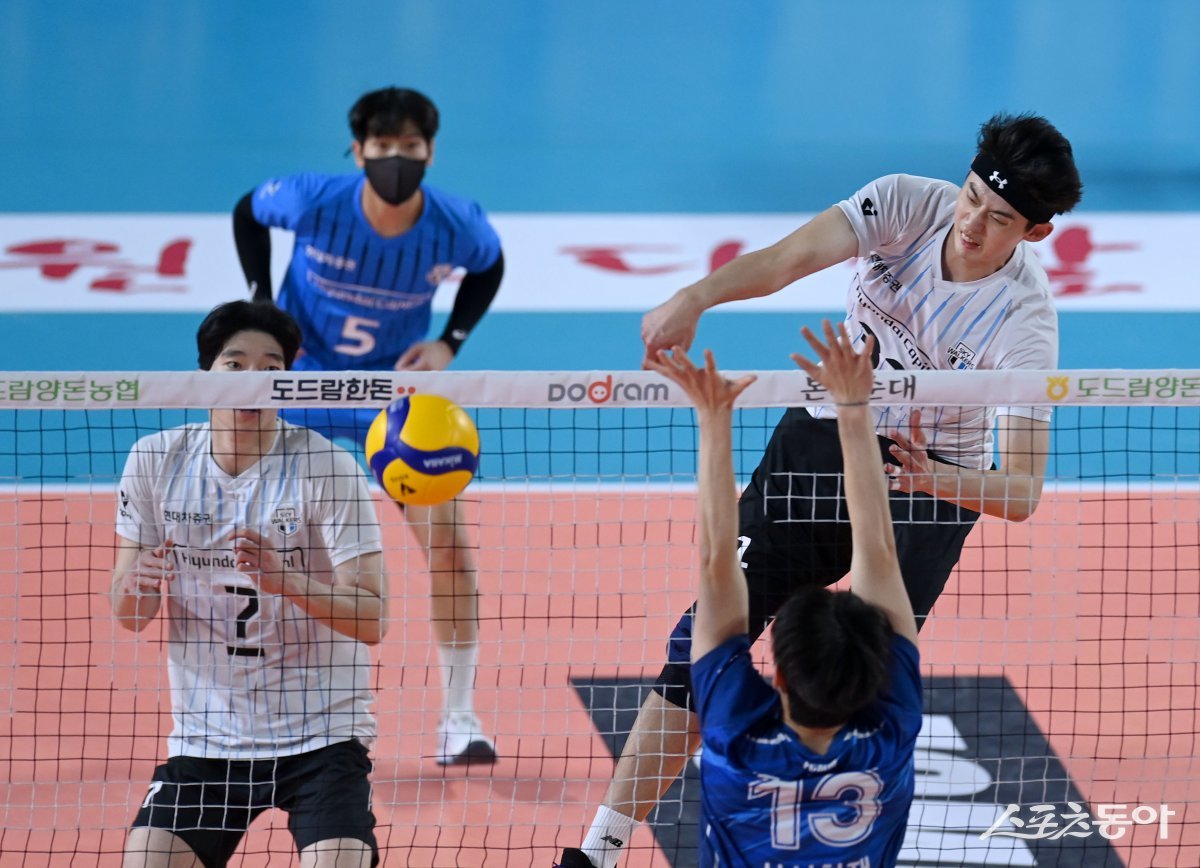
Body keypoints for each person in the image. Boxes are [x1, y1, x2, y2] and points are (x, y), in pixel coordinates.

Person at [560, 112, 1082, 867]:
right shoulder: (906, 203)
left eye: (999, 219)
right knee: (700, 643)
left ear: (1035, 232)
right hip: (822, 439)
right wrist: (697, 297)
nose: (971, 223)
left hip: (929, 484)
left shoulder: (1025, 323)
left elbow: (1023, 490)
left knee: (857, 695)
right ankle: (597, 853)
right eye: (972, 196)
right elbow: (788, 259)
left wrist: (931, 477)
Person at [232, 86, 504, 765]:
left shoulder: (457, 225)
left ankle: (460, 718)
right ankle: (266, 705)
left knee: (449, 547)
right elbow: (248, 212)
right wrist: (262, 301)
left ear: (430, 151)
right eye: (383, 146)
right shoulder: (313, 201)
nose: (396, 158)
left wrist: (451, 341)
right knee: (274, 550)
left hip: (395, 396)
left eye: (410, 146)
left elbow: (489, 267)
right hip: (302, 381)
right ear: (358, 151)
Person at [111, 301, 388, 868]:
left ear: (288, 382)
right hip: (207, 740)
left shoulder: (327, 468)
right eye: (235, 364)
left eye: (271, 367)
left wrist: (287, 581)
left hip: (322, 736)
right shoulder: (154, 461)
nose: (253, 379)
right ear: (205, 374)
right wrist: (137, 585)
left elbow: (372, 618)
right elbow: (130, 614)